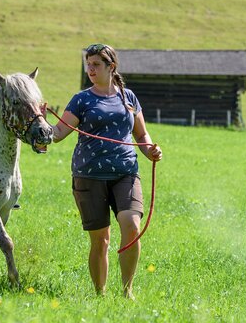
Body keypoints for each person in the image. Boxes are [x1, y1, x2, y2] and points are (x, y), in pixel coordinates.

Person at [51, 43, 163, 299]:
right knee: (100, 239)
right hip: (89, 176)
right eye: (87, 65)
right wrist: (42, 125)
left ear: (111, 67)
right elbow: (58, 134)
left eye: (95, 65)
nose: (90, 69)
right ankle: (100, 295)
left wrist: (151, 151)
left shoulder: (129, 97)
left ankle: (127, 291)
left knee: (132, 227)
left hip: (126, 172)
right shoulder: (81, 99)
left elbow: (141, 134)